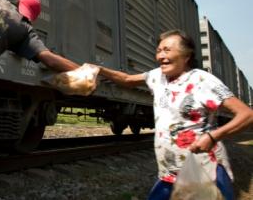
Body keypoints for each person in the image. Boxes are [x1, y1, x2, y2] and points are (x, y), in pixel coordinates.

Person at [92, 29, 253, 200]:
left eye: (167, 50)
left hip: (205, 173)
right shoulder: (157, 76)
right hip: (169, 174)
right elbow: (126, 80)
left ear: (186, 56)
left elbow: (247, 114)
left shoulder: (203, 81)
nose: (161, 56)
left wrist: (213, 137)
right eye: (159, 51)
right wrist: (99, 69)